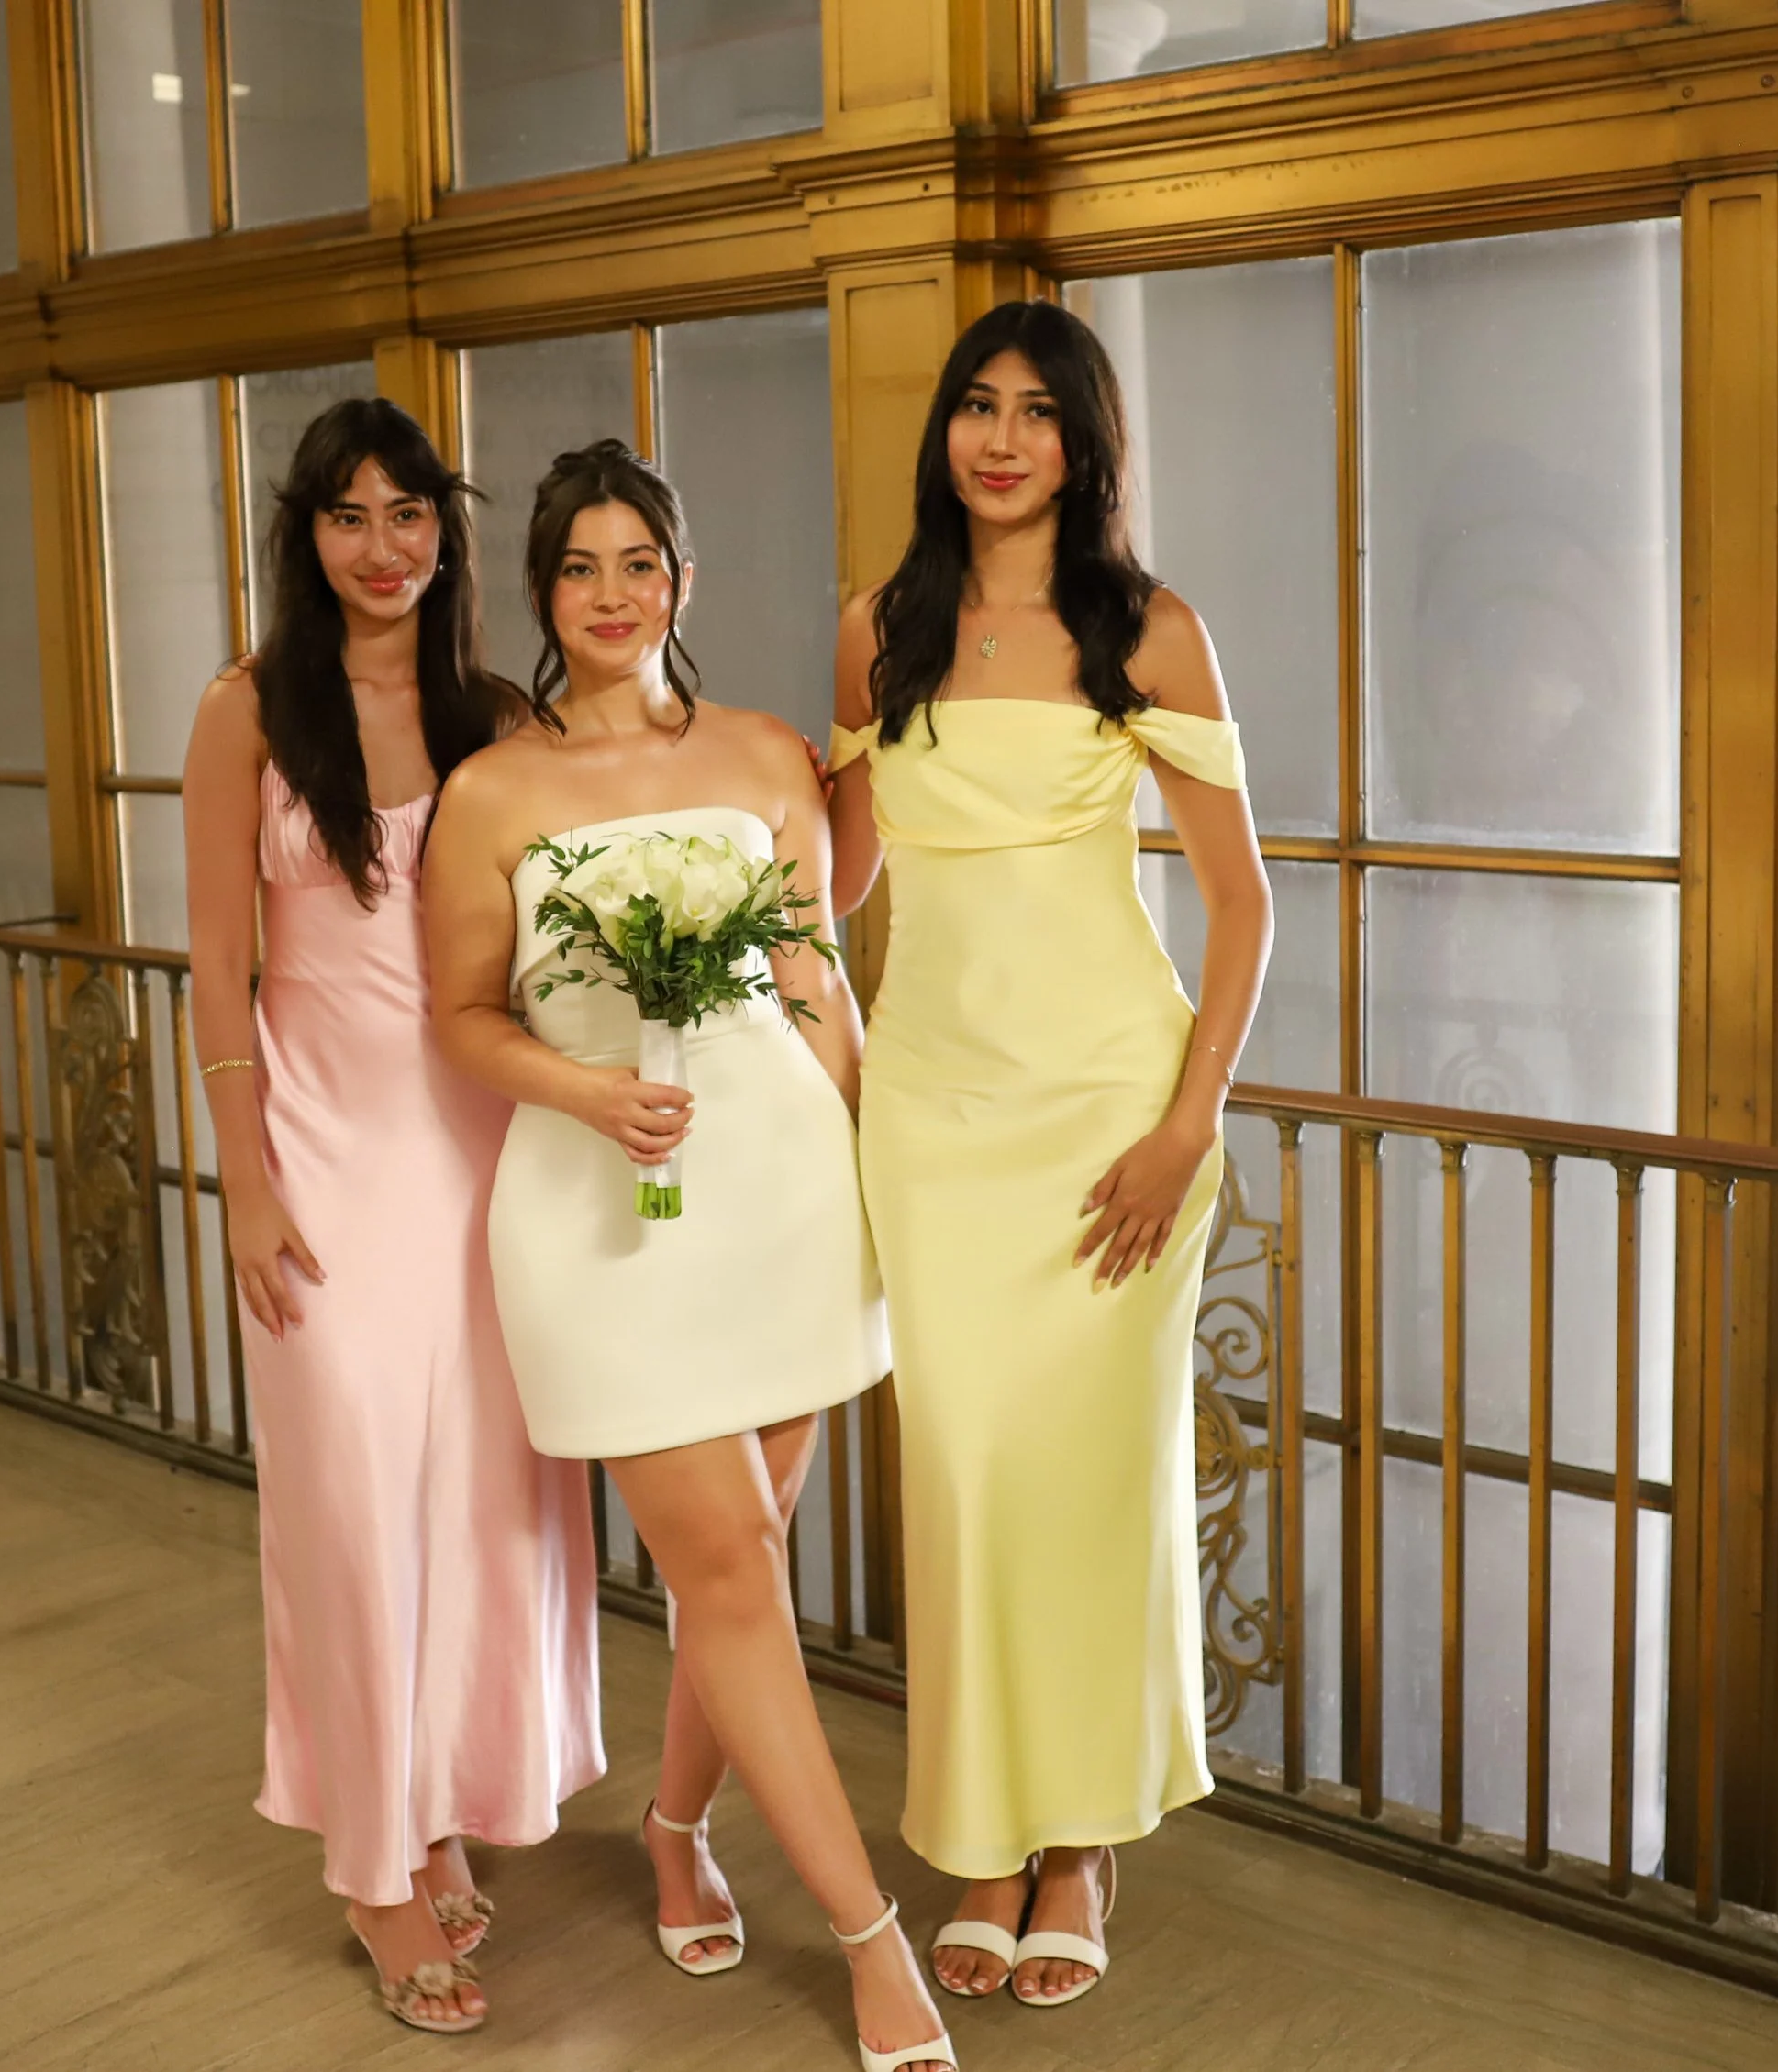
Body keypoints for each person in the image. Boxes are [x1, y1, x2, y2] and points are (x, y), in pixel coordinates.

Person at [423, 438, 955, 2072]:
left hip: (783, 1190)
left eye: (635, 563)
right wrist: (585, 1089)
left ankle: (673, 1826)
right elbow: (457, 1015)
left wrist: (886, 1184)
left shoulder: (762, 750)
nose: (607, 595)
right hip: (598, 1211)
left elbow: (814, 979)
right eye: (576, 568)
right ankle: (873, 1945)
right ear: (541, 592)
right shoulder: (492, 790)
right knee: (727, 1566)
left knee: (744, 1564)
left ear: (681, 579)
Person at [828, 299, 1273, 2011]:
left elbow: (1244, 901)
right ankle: (982, 1831)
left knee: (1091, 1480)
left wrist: (1187, 1122)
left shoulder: (1147, 630)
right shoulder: (882, 628)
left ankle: (1076, 1840)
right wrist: (697, 879)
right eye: (975, 407)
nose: (1000, 438)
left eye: (1038, 412)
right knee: (963, 1478)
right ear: (943, 430)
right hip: (935, 1119)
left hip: (1110, 1114)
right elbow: (844, 869)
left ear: (1086, 444)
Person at [183, 398, 602, 2037]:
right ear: (308, 536)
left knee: (476, 1504)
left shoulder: (495, 714)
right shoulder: (247, 709)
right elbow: (221, 965)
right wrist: (243, 1175)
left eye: (411, 511)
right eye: (350, 516)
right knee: (353, 1504)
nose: (385, 544)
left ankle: (436, 1804)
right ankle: (371, 1863)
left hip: (484, 1161)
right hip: (319, 1155)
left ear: (446, 529)